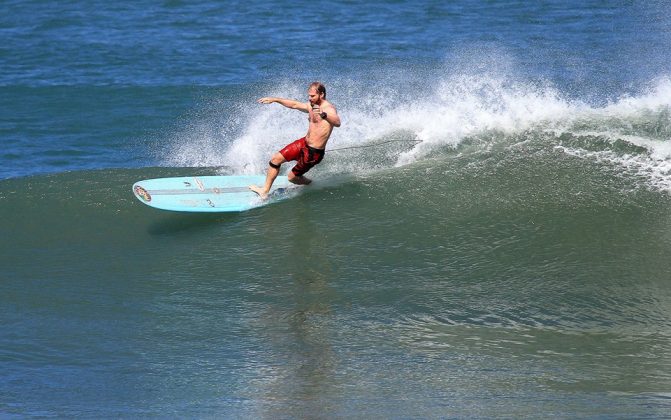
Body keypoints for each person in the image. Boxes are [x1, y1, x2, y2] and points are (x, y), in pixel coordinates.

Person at [249, 82, 341, 199]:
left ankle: (311, 184)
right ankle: (264, 191)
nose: (309, 98)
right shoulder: (311, 106)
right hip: (303, 143)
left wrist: (324, 114)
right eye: (309, 95)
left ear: (321, 94)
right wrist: (275, 99)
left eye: (312, 96)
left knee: (292, 178)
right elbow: (294, 104)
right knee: (275, 159)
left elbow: (337, 122)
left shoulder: (329, 108)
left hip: (314, 152)